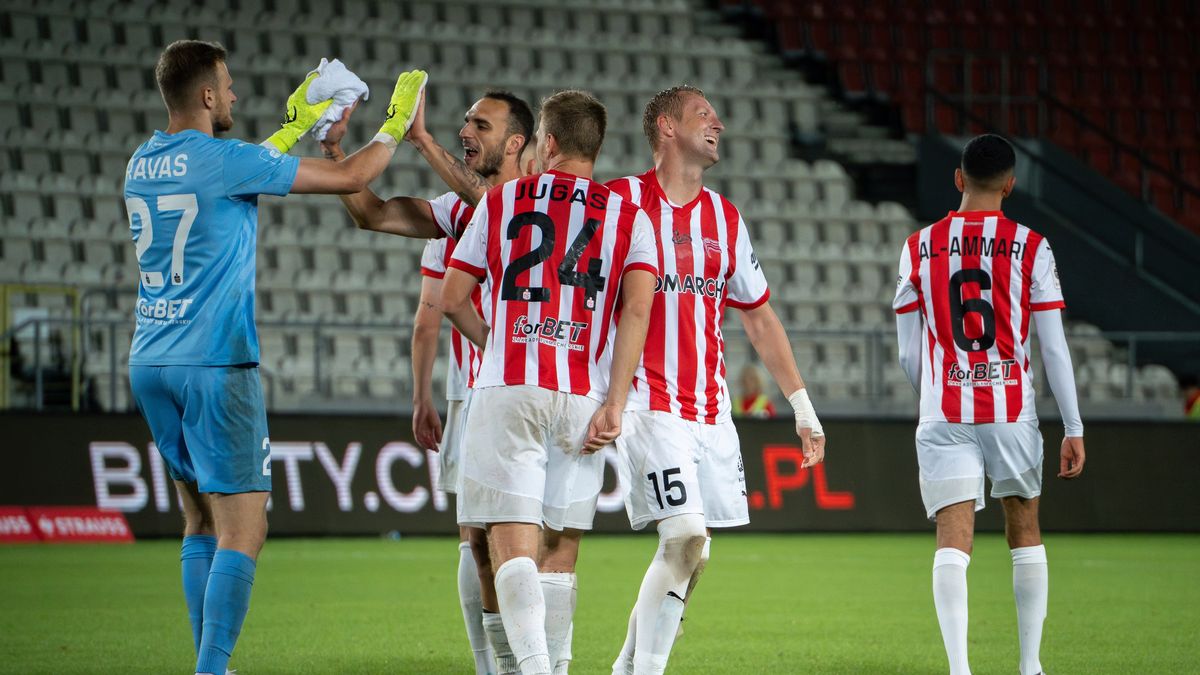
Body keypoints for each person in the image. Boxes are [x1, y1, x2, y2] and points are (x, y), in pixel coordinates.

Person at [124, 40, 425, 675]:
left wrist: (293, 126)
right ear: (206, 95)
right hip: (215, 361)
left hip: (152, 358)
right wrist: (396, 120)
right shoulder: (224, 161)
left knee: (199, 521)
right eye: (227, 86)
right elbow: (352, 178)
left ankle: (210, 665)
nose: (234, 95)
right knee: (244, 528)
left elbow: (238, 167)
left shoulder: (143, 161)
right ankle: (211, 671)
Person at [605, 86, 826, 675]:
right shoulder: (619, 201)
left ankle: (627, 665)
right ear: (667, 128)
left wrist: (802, 405)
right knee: (684, 538)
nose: (719, 124)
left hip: (711, 410)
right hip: (649, 403)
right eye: (704, 114)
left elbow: (756, 316)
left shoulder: (725, 218)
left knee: (693, 553)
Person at [440, 89, 658, 675]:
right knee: (559, 550)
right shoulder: (628, 216)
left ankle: (531, 671)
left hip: (509, 386)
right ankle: (553, 668)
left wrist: (497, 342)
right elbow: (637, 311)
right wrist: (616, 402)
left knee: (509, 545)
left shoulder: (503, 200)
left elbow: (451, 298)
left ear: (550, 142)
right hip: (582, 397)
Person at [321, 88, 535, 675]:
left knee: (536, 545)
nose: (467, 129)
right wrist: (339, 159)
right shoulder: (456, 210)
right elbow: (375, 213)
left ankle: (543, 661)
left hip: (537, 388)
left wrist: (419, 138)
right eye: (464, 119)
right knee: (477, 539)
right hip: (474, 391)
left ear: (516, 142)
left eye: (480, 125)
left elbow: (497, 203)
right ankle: (494, 667)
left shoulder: (537, 198)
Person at [892, 133, 1086, 675]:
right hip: (1011, 413)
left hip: (943, 410)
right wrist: (1073, 425)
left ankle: (959, 670)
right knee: (1024, 528)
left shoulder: (917, 247)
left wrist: (934, 395)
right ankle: (1030, 666)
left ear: (958, 179)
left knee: (952, 538)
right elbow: (1052, 346)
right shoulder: (1032, 246)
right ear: (1010, 184)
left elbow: (909, 353)